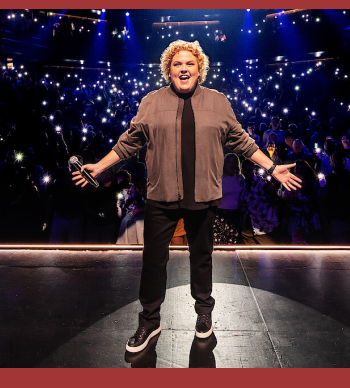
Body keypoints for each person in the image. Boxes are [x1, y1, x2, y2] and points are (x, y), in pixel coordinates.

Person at [72, 40, 302, 353]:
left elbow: (244, 143)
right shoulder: (152, 101)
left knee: (202, 258)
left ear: (199, 70)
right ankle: (150, 321)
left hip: (203, 195)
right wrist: (99, 166)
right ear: (169, 70)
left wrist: (272, 167)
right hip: (161, 196)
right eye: (177, 64)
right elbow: (128, 144)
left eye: (189, 64)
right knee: (154, 261)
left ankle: (204, 313)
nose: (184, 68)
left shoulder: (217, 101)